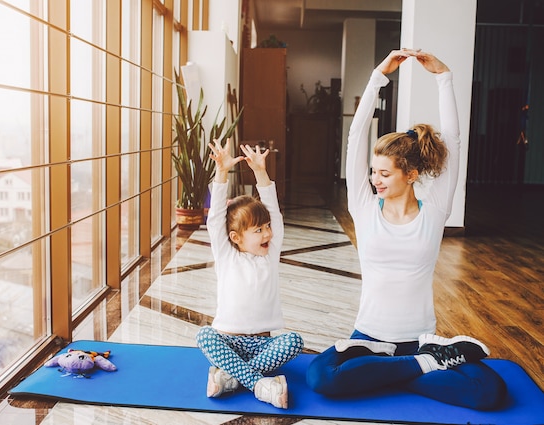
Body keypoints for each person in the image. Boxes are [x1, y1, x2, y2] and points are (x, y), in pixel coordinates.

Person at [305, 49, 507, 410]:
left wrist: (444, 76)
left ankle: (394, 368)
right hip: (367, 337)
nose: (374, 180)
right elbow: (355, 137)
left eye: (385, 174)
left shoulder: (435, 210)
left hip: (418, 338)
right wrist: (378, 76)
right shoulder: (364, 209)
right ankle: (426, 365)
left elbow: (455, 143)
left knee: (488, 391)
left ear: (411, 175)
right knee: (320, 376)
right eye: (373, 172)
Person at [195, 139, 304, 409]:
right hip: (227, 340)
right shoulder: (226, 254)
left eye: (267, 227)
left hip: (262, 345)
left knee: (294, 341)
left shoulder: (270, 254)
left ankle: (231, 378)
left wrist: (260, 172)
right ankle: (258, 384)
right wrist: (221, 172)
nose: (267, 233)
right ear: (235, 237)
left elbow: (274, 212)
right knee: (203, 336)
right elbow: (215, 218)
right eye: (258, 230)